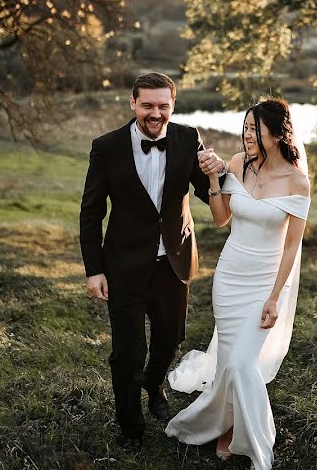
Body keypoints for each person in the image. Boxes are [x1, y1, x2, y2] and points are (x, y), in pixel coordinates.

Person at [79, 72, 227, 447]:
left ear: (172, 106)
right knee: (128, 353)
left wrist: (217, 173)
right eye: (147, 105)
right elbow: (91, 211)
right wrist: (94, 269)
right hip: (123, 267)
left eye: (163, 106)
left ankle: (154, 383)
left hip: (173, 262)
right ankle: (131, 428)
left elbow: (206, 190)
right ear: (132, 104)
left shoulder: (188, 138)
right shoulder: (106, 147)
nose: (155, 113)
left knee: (169, 338)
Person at [165, 97, 310, 470]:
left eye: (254, 130)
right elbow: (220, 218)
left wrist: (275, 297)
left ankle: (251, 441)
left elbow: (292, 246)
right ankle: (225, 427)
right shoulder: (236, 164)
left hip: (266, 281)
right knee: (229, 361)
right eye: (245, 128)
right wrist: (214, 178)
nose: (246, 136)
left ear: (277, 134)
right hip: (230, 277)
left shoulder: (297, 181)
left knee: (244, 363)